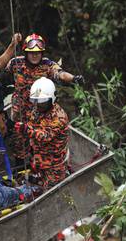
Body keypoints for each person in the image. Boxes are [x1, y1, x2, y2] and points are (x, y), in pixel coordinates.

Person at [5, 33, 83, 163]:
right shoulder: (16, 63)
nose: (35, 55)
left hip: (39, 110)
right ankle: (19, 167)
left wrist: (73, 78)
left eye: (38, 52)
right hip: (20, 109)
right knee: (19, 140)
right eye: (31, 52)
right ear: (26, 52)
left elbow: (60, 74)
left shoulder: (47, 65)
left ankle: (36, 165)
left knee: (38, 140)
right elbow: (2, 73)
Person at [14, 77, 70, 188]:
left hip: (54, 165)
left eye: (43, 102)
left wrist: (26, 129)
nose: (39, 105)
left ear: (52, 99)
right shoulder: (37, 110)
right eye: (37, 101)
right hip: (39, 158)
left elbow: (45, 136)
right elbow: (32, 124)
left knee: (53, 192)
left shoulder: (59, 117)